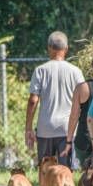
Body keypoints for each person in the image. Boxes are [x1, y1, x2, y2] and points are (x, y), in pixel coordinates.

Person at [25, 31, 84, 166]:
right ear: (66, 49)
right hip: (67, 129)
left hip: (45, 129)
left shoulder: (40, 70)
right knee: (65, 172)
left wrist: (28, 128)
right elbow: (83, 100)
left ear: (49, 48)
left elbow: (33, 101)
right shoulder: (76, 72)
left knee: (46, 173)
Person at [61, 50, 93, 167]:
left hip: (84, 139)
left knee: (87, 179)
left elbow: (74, 116)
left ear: (92, 65)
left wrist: (69, 141)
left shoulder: (81, 87)